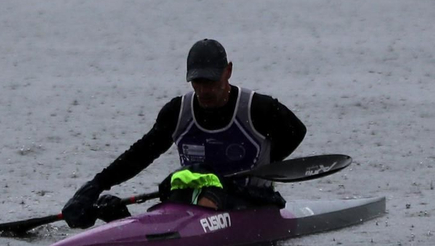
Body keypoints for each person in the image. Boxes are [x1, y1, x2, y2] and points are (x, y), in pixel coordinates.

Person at [61, 39, 307, 228]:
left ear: (228, 71)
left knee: (211, 189)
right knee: (175, 187)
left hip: (251, 199)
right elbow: (141, 153)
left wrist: (266, 166)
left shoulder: (258, 108)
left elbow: (296, 132)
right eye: (197, 82)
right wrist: (96, 185)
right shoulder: (177, 111)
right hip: (197, 195)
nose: (204, 90)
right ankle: (121, 220)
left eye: (211, 81)